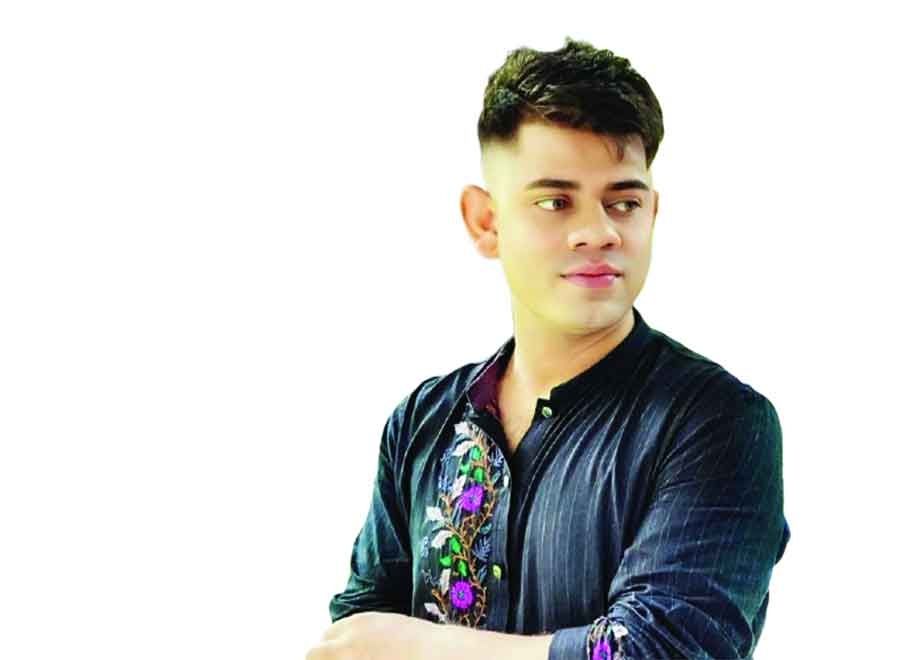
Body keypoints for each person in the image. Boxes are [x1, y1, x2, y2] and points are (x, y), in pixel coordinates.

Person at [308, 36, 790, 660]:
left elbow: (660, 651)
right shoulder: (423, 423)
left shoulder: (715, 423)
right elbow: (354, 638)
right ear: (486, 222)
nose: (599, 231)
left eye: (623, 202)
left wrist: (420, 647)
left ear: (651, 213)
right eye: (555, 202)